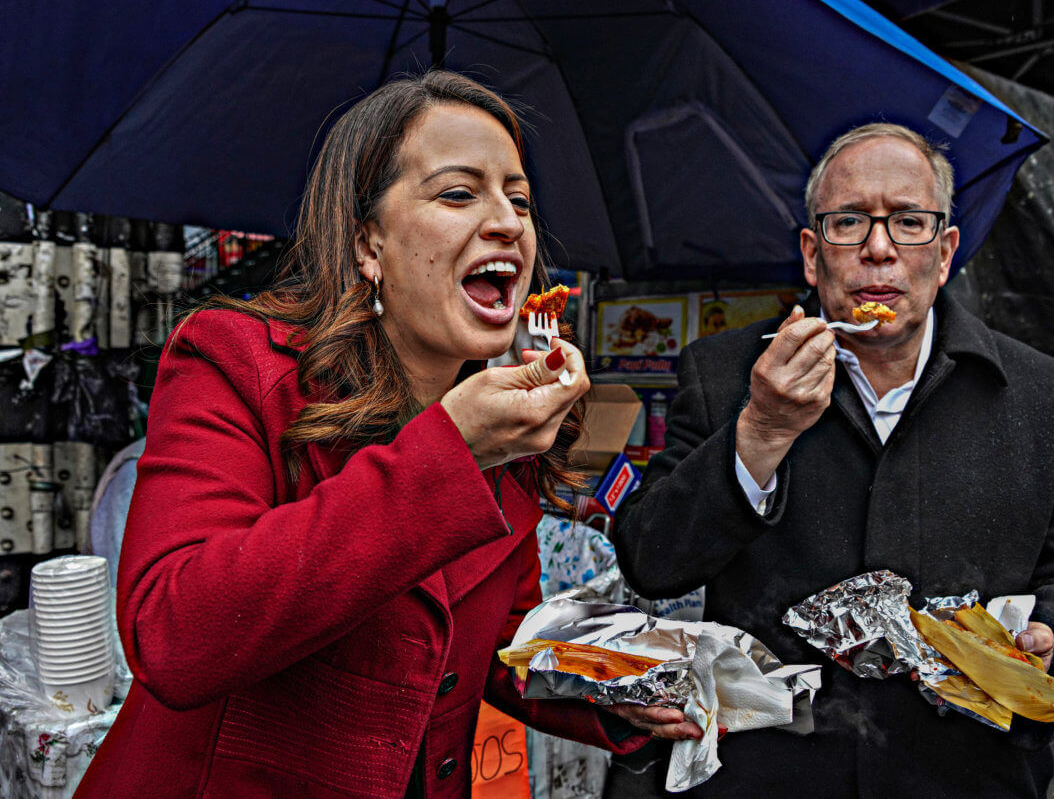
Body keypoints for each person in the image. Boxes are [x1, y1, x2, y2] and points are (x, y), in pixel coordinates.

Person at [76, 71, 698, 799]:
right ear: (367, 243)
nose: (509, 223)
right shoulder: (235, 362)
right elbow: (175, 633)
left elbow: (504, 645)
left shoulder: (504, 414)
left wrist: (612, 686)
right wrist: (453, 451)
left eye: (520, 200)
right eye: (459, 194)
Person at [613, 123, 1054, 797]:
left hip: (966, 775)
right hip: (770, 776)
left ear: (945, 254)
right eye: (849, 223)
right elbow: (651, 561)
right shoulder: (726, 376)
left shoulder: (1047, 399)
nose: (880, 250)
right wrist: (761, 431)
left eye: (910, 223)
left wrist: (1049, 640)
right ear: (811, 255)